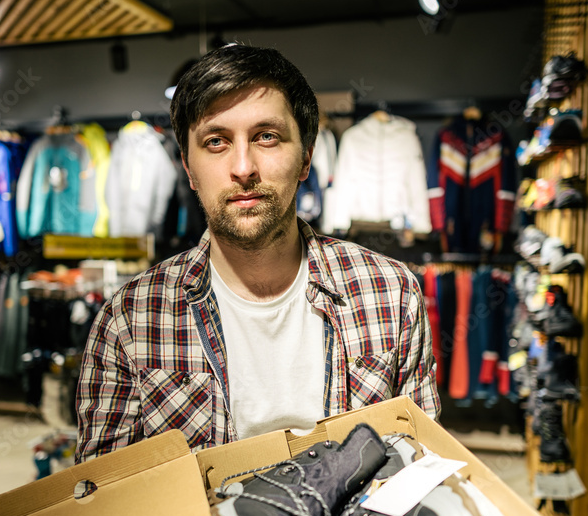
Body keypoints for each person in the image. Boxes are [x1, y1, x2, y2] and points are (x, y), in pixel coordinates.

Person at [76, 44, 439, 463]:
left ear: (306, 158)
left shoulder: (390, 294)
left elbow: (424, 469)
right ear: (188, 169)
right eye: (216, 141)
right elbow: (103, 498)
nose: (244, 167)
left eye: (266, 136)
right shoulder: (130, 317)